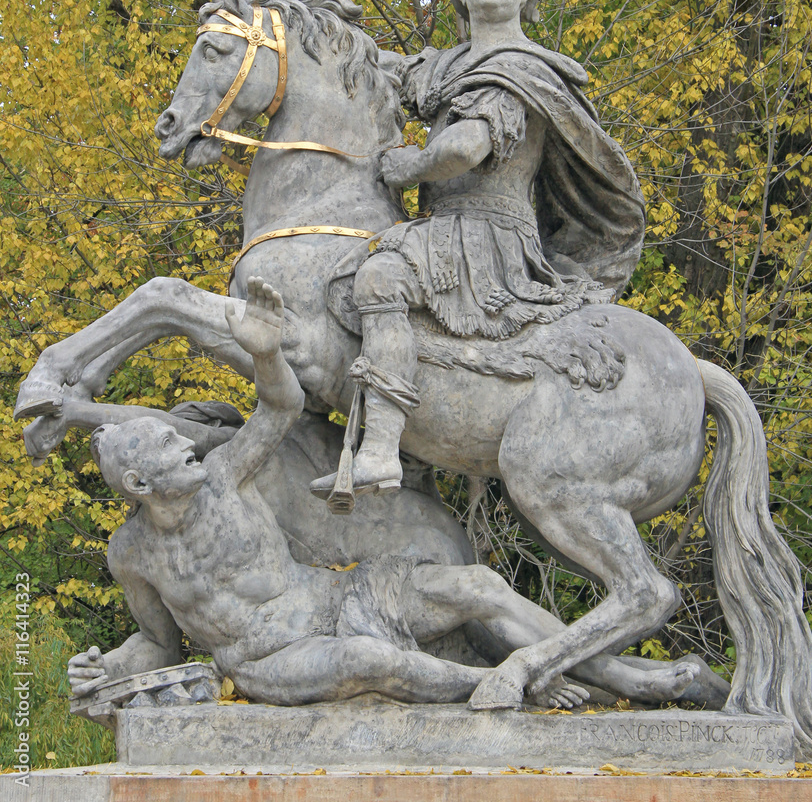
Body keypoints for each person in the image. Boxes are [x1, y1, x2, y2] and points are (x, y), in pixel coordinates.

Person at [68, 277, 723, 710]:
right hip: (275, 656)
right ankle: (516, 682)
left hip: (333, 596)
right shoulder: (133, 554)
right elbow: (158, 645)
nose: (189, 446)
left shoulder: (224, 479)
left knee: (477, 587)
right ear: (139, 483)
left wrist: (267, 354)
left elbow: (280, 408)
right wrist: (107, 668)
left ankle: (595, 671)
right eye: (167, 447)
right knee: (372, 660)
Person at [310, 0, 645, 499]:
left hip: (490, 240)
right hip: (442, 232)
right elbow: (379, 69)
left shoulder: (523, 68)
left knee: (378, 275)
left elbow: (467, 145)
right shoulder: (442, 67)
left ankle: (379, 451)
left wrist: (412, 165)